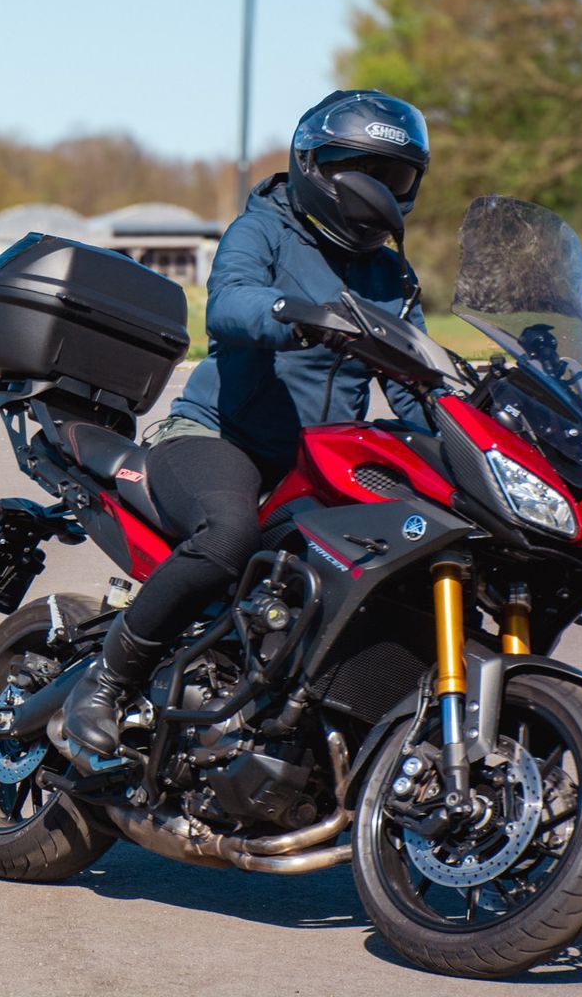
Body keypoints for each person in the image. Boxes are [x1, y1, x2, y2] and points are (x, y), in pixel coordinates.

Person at [62, 89, 432, 756]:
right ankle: (106, 681)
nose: (376, 191)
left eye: (394, 177)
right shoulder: (263, 228)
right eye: (362, 170)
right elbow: (229, 305)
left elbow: (416, 386)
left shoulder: (390, 277)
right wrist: (293, 313)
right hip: (216, 437)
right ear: (316, 164)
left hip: (315, 465)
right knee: (229, 533)